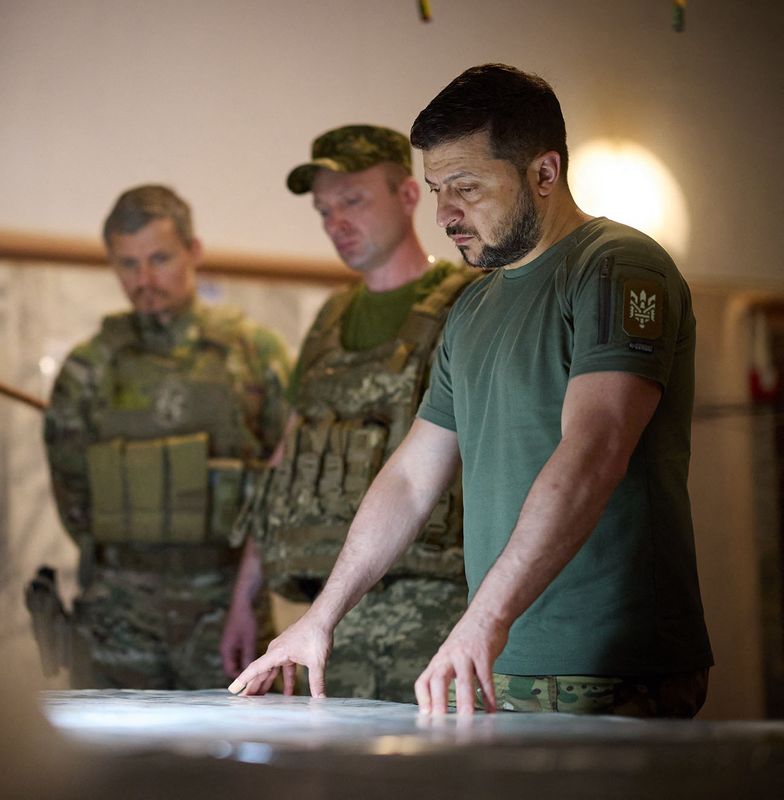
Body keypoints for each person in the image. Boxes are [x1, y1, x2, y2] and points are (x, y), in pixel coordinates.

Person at [229, 64, 713, 718]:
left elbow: (595, 450)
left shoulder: (617, 265)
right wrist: (321, 617)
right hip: (501, 664)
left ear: (544, 174)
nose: (445, 213)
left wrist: (485, 618)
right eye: (435, 189)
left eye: (466, 187)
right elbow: (409, 478)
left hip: (612, 663)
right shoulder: (474, 306)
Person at [219, 125, 478, 702]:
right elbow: (288, 460)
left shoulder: (470, 303)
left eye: (354, 201)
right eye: (324, 210)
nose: (336, 222)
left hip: (435, 613)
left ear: (409, 196)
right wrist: (246, 599)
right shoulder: (329, 320)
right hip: (328, 619)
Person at [43, 184, 291, 689]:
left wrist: (244, 593)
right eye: (128, 264)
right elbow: (73, 494)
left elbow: (284, 483)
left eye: (159, 259)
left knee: (238, 755)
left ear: (193, 252)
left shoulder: (254, 354)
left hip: (226, 607)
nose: (144, 279)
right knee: (109, 764)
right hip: (118, 612)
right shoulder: (88, 368)